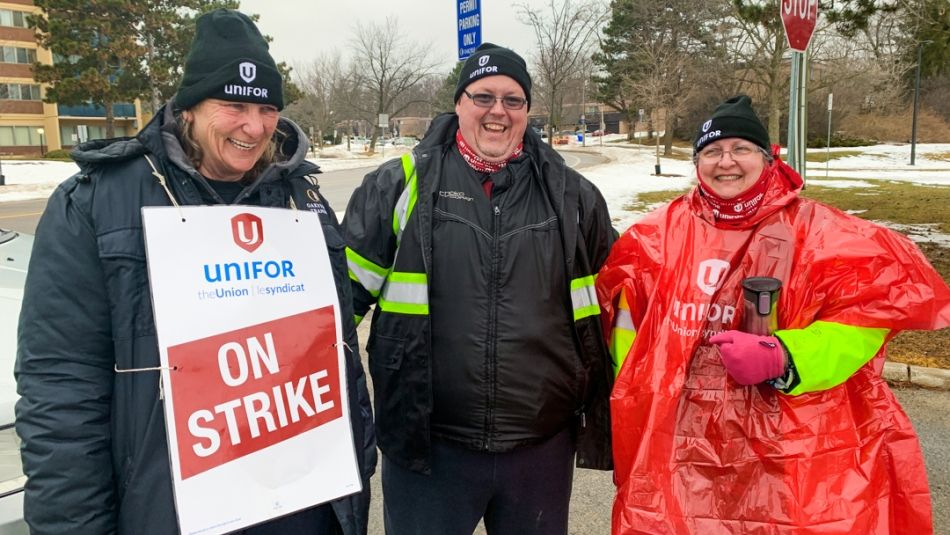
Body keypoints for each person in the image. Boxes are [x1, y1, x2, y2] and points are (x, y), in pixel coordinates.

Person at [14, 9, 375, 534]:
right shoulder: (96, 202)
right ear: (188, 107)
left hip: (305, 504)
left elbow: (337, 354)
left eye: (267, 107)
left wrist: (356, 469)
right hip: (172, 511)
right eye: (233, 105)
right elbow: (60, 389)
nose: (254, 126)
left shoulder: (300, 195)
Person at [597, 95, 950, 534]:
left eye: (741, 148)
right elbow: (628, 334)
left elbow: (865, 319)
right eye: (711, 151)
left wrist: (785, 355)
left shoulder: (821, 234)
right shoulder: (654, 236)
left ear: (767, 157)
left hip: (789, 447)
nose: (726, 161)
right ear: (697, 162)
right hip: (681, 447)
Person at [343, 42, 615, 534]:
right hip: (429, 447)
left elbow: (622, 304)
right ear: (459, 103)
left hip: (540, 450)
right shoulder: (399, 185)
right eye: (483, 96)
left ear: (528, 110)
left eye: (513, 100)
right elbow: (338, 311)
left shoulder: (574, 197)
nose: (498, 111)